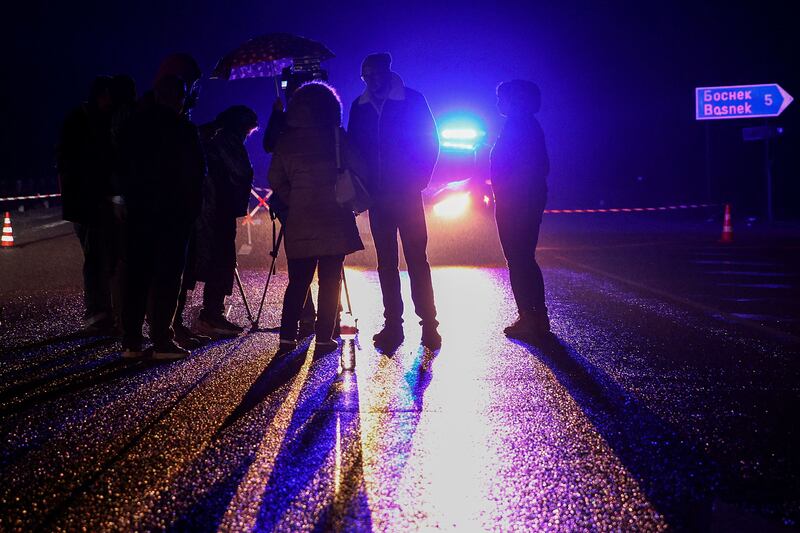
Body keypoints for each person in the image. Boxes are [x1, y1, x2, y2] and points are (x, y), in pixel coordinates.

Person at [347, 53, 441, 350]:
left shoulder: (412, 99)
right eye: (367, 76)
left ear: (388, 72)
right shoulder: (359, 107)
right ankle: (393, 325)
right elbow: (354, 149)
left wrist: (420, 179)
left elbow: (430, 140)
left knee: (416, 259)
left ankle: (428, 324)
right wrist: (361, 188)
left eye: (375, 74)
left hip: (406, 192)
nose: (372, 80)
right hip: (378, 196)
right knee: (386, 262)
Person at [268, 81, 364, 355]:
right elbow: (359, 167)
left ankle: (287, 337)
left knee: (298, 280)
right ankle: (324, 337)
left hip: (300, 219)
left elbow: (275, 178)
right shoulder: (336, 137)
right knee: (330, 279)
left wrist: (294, 198)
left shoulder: (286, 140)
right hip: (335, 217)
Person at [116, 74, 205, 360]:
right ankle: (162, 340)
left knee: (136, 277)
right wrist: (193, 210)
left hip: (139, 211)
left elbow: (118, 165)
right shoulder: (183, 129)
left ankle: (131, 341)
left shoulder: (133, 126)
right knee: (167, 278)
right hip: (172, 214)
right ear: (179, 98)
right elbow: (196, 173)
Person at [57, 76, 120, 335]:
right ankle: (97, 312)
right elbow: (75, 162)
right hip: (88, 202)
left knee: (103, 255)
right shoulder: (82, 119)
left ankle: (103, 309)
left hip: (93, 199)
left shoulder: (92, 118)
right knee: (96, 257)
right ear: (101, 95)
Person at [490, 80, 551, 341]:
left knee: (518, 258)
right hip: (522, 199)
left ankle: (529, 316)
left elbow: (530, 166)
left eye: (502, 97)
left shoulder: (519, 127)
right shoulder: (525, 125)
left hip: (517, 202)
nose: (499, 103)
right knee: (523, 257)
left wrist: (510, 193)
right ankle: (536, 316)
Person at [192, 105, 259, 338]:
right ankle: (211, 315)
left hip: (210, 209)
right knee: (220, 261)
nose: (247, 136)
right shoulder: (226, 140)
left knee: (213, 261)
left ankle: (209, 314)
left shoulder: (210, 136)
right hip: (217, 209)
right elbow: (241, 171)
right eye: (248, 131)